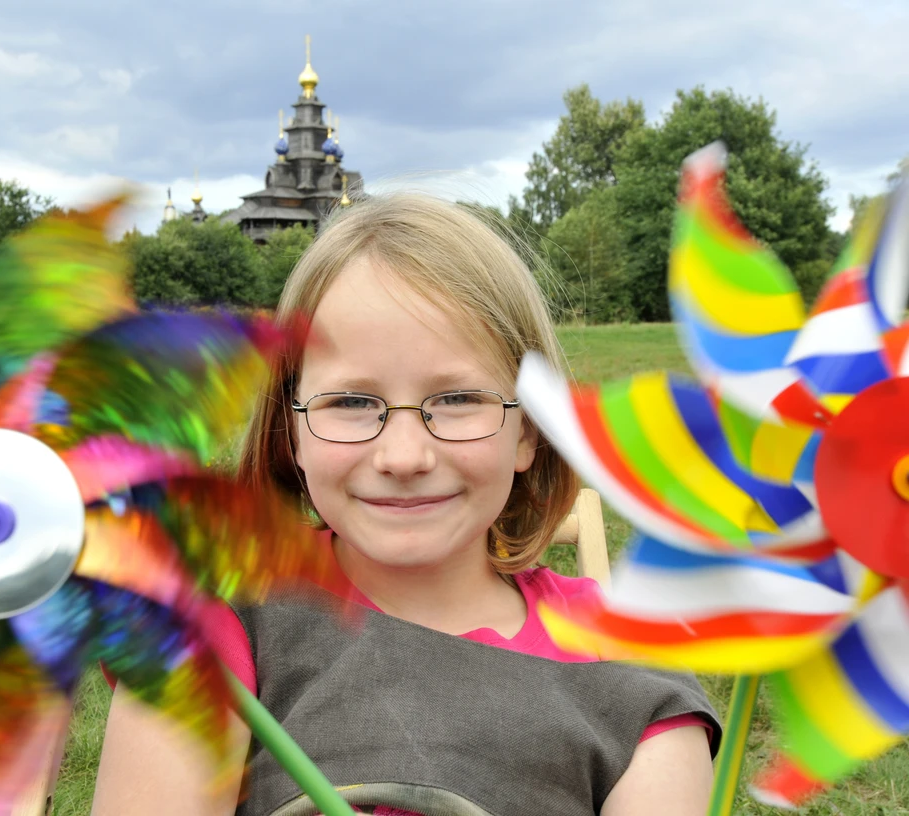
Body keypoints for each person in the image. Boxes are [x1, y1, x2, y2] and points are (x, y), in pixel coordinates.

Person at [92, 194, 721, 815]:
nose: (403, 456)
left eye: (456, 400)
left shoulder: (631, 657)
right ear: (292, 431)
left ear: (527, 429)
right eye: (350, 403)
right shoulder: (212, 617)